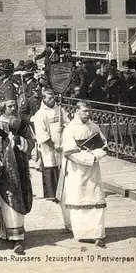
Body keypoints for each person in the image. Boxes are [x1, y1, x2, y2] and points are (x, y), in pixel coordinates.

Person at [0, 85, 35, 255]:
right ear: (3, 107)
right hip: (4, 170)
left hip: (21, 168)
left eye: (14, 105)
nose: (13, 108)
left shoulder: (21, 123)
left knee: (19, 198)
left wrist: (21, 143)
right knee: (8, 201)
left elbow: (31, 142)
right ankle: (13, 236)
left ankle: (16, 233)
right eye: (9, 106)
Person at [56, 100, 108, 248]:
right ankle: (83, 233)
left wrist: (98, 153)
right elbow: (70, 153)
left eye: (89, 111)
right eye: (84, 111)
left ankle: (98, 234)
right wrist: (90, 157)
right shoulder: (70, 129)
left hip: (93, 171)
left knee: (95, 199)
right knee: (81, 198)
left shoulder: (94, 126)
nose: (87, 114)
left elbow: (104, 144)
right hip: (78, 170)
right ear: (76, 111)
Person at [32, 89, 70, 199]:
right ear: (43, 99)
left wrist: (64, 127)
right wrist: (53, 145)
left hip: (61, 142)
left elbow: (68, 123)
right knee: (50, 167)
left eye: (53, 97)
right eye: (49, 98)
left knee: (62, 166)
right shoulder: (40, 114)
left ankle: (63, 192)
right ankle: (51, 194)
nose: (52, 99)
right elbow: (41, 133)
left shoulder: (60, 110)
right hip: (49, 145)